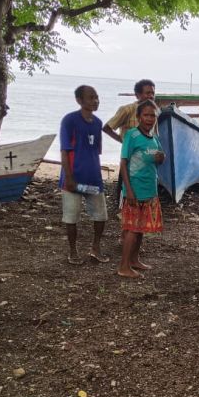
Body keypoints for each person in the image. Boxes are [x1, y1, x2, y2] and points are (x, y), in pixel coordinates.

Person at [59, 85, 109, 265]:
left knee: (100, 215)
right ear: (79, 100)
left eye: (96, 97)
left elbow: (96, 150)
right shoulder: (69, 120)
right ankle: (73, 251)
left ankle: (96, 248)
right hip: (73, 179)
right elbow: (64, 151)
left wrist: (97, 173)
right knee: (71, 216)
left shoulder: (97, 123)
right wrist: (69, 177)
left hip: (93, 179)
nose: (95, 101)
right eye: (90, 97)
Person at [118, 100, 165, 278]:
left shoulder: (154, 139)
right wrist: (128, 190)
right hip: (134, 189)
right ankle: (123, 266)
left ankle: (134, 260)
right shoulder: (132, 135)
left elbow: (159, 160)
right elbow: (123, 163)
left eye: (153, 115)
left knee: (141, 229)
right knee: (132, 228)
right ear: (138, 117)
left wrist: (161, 157)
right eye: (146, 115)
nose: (150, 119)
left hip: (149, 189)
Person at [103, 79, 158, 201]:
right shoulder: (127, 110)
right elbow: (107, 128)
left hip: (147, 162)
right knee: (126, 193)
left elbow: (155, 135)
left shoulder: (154, 111)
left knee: (146, 196)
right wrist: (124, 141)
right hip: (129, 160)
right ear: (138, 95)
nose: (150, 96)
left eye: (152, 93)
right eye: (147, 93)